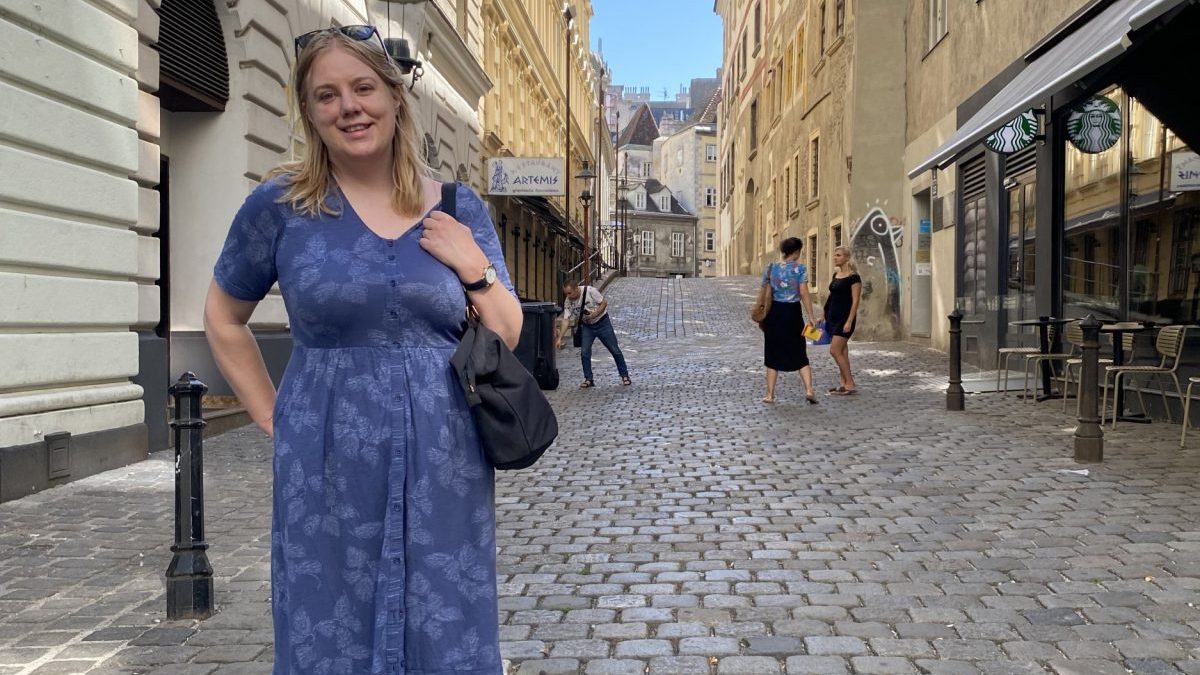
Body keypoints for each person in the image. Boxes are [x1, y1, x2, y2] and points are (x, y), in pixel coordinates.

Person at [204, 25, 519, 674]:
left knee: (446, 622)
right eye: (327, 95)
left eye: (363, 88)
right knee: (329, 620)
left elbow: (507, 332)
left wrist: (472, 264)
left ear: (395, 97)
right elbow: (222, 316)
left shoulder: (458, 207)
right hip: (325, 458)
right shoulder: (281, 207)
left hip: (445, 457)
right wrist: (273, 414)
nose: (349, 106)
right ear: (309, 111)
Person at [760, 237, 819, 404]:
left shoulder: (771, 268)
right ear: (796, 251)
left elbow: (764, 291)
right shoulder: (800, 269)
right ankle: (809, 390)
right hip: (793, 313)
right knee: (800, 352)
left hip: (774, 313)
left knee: (772, 353)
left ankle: (770, 394)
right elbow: (804, 293)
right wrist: (811, 316)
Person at [556, 279, 631, 388]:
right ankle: (588, 379)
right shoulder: (568, 301)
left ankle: (624, 375)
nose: (568, 296)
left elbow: (604, 302)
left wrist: (594, 314)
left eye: (569, 293)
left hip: (602, 323)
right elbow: (566, 320)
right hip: (587, 327)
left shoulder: (590, 291)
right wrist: (560, 338)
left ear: (576, 289)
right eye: (566, 294)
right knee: (584, 352)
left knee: (614, 349)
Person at [825, 245, 863, 395]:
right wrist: (823, 314)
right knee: (842, 352)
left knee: (834, 350)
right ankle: (844, 383)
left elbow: (855, 301)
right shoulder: (836, 275)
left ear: (847, 258)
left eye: (838, 255)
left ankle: (850, 383)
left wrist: (849, 321)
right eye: (835, 255)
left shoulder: (854, 278)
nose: (835, 257)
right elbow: (831, 297)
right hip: (832, 318)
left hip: (844, 319)